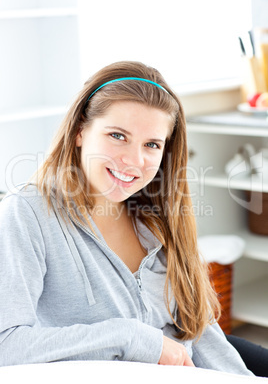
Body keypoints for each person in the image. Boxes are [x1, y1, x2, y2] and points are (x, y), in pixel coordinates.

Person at [0, 61, 253, 374]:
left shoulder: (157, 218)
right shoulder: (28, 213)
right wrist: (129, 337)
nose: (134, 161)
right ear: (80, 131)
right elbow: (5, 345)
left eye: (151, 144)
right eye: (118, 135)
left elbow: (198, 332)